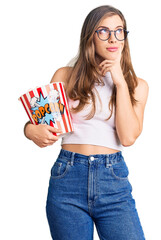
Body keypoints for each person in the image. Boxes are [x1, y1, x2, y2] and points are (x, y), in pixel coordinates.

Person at [24, 5, 149, 240]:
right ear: (90, 35)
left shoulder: (137, 86)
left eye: (119, 31)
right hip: (68, 179)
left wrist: (120, 82)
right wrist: (30, 130)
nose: (113, 38)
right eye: (103, 31)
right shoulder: (65, 76)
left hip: (113, 182)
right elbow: (38, 124)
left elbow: (128, 137)